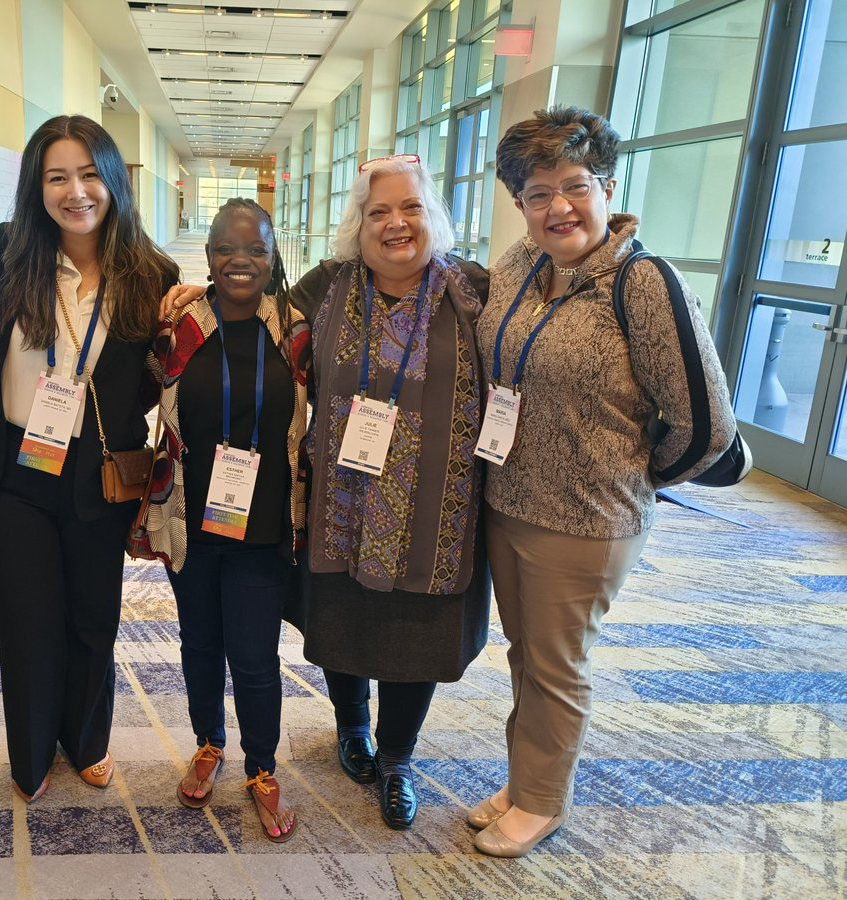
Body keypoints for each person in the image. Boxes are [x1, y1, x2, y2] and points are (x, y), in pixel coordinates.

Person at [470, 106, 736, 857]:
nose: (559, 207)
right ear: (518, 204)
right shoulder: (521, 266)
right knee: (527, 655)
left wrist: (635, 479)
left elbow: (709, 427)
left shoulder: (645, 283)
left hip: (587, 520)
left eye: (575, 186)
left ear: (608, 186)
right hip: (508, 500)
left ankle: (543, 802)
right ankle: (528, 780)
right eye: (537, 193)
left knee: (556, 664)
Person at [0, 115, 196, 802]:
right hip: (17, 468)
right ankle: (33, 752)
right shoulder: (9, 254)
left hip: (101, 466)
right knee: (28, 615)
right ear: (37, 188)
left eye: (90, 174)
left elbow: (166, 368)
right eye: (57, 177)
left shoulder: (153, 272)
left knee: (94, 615)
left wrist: (196, 308)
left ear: (115, 181)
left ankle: (87, 739)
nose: (76, 191)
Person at [287, 155, 491, 830]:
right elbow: (252, 305)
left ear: (433, 216)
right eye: (379, 212)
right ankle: (353, 729)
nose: (395, 223)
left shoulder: (473, 292)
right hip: (342, 506)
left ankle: (399, 756)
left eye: (410, 208)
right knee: (344, 623)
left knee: (416, 638)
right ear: (359, 223)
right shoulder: (324, 289)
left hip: (439, 514)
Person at [144, 198, 310, 842]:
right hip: (192, 518)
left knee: (255, 655)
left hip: (264, 523)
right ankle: (209, 742)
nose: (240, 262)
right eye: (225, 249)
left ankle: (263, 767)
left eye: (256, 250)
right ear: (207, 255)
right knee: (200, 644)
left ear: (274, 257)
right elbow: (138, 386)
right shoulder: (178, 326)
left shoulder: (297, 331)